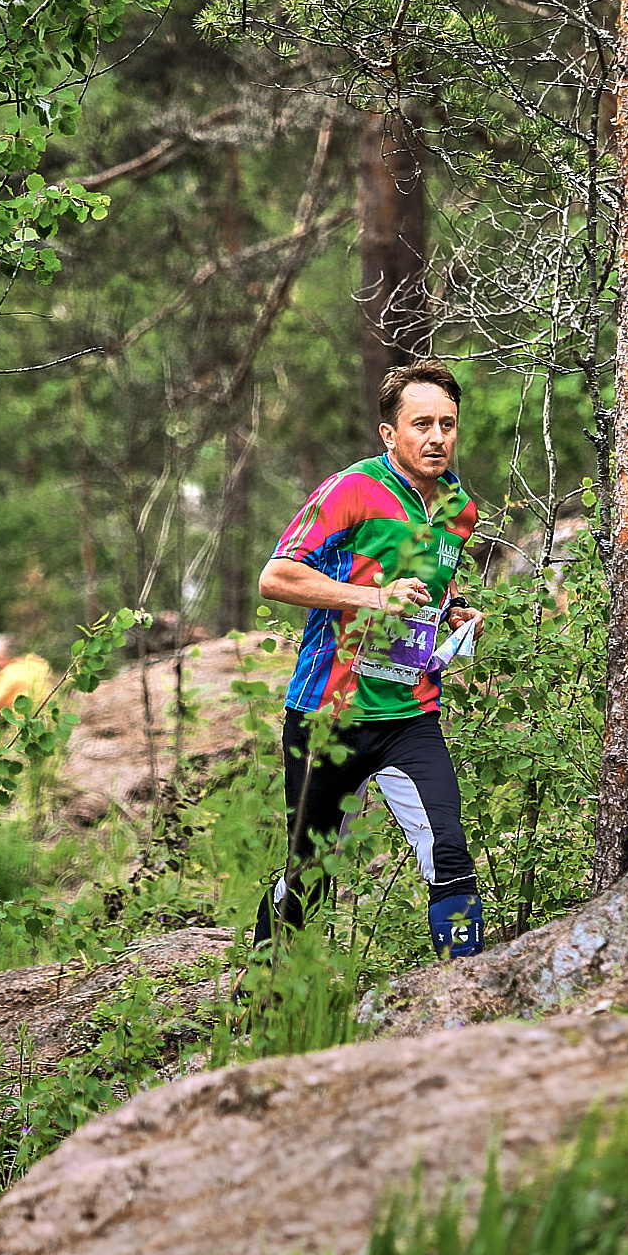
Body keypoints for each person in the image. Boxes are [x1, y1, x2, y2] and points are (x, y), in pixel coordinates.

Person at [257, 359, 488, 959]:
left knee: (451, 856)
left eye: (447, 424)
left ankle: (464, 1012)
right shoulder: (353, 489)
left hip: (411, 715)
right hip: (328, 715)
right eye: (421, 425)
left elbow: (428, 586)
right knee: (308, 875)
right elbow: (277, 576)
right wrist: (370, 598)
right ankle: (263, 1000)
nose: (436, 437)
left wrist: (455, 610)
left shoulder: (460, 510)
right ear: (390, 434)